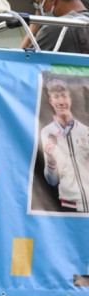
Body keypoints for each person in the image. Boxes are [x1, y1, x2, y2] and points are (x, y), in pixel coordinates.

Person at [39, 79, 89, 212]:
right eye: (56, 97)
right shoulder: (47, 132)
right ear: (50, 101)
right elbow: (52, 181)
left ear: (70, 100)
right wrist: (51, 159)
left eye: (64, 96)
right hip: (69, 205)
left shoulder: (86, 131)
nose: (61, 101)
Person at [20, 0, 89, 54]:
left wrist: (33, 28)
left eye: (38, 3)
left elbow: (19, 60)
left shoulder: (56, 28)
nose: (39, 9)